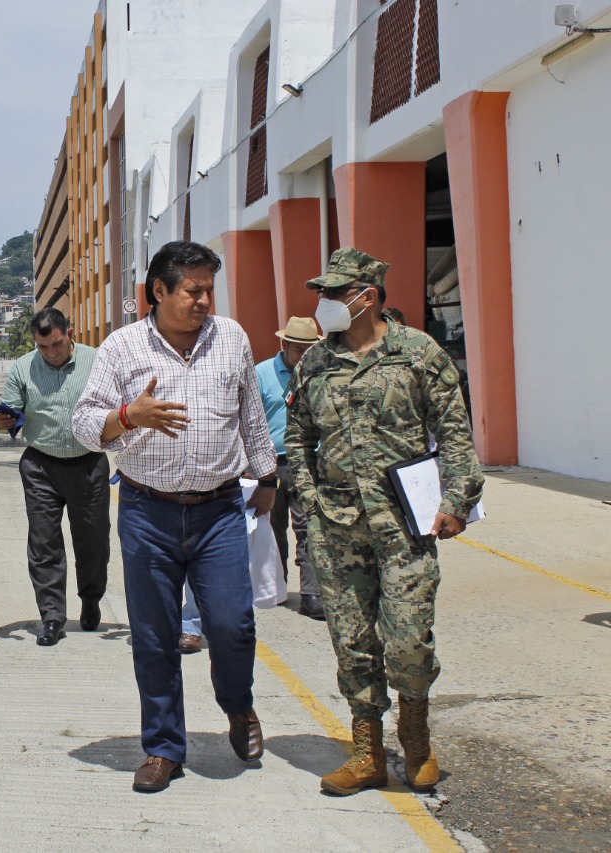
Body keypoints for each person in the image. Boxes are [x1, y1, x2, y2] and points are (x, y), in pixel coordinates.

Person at [71, 241, 279, 793]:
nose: (205, 300)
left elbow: (251, 414)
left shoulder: (231, 338)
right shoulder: (120, 349)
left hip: (218, 512)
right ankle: (163, 748)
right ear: (158, 291)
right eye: (193, 290)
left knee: (232, 625)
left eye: (210, 288)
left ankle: (239, 707)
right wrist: (127, 415)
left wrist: (268, 476)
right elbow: (84, 424)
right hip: (146, 512)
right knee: (155, 636)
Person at [285, 247, 483, 796]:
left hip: (405, 525)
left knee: (408, 641)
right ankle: (368, 753)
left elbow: (455, 430)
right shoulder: (315, 362)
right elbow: (298, 436)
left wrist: (456, 500)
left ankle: (415, 741)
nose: (322, 304)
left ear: (366, 297)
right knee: (352, 643)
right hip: (336, 525)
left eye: (332, 294)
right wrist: (307, 496)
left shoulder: (417, 352)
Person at [0, 307, 108, 647]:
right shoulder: (23, 367)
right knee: (44, 543)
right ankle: (52, 616)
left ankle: (91, 599)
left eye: (56, 344)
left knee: (93, 542)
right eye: (43, 347)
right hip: (41, 465)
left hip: (89, 463)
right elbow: (9, 412)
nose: (50, 353)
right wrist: (3, 421)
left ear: (69, 333)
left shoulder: (97, 361)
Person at [256, 316, 325, 620]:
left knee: (311, 527)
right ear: (284, 345)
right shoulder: (261, 374)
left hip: (310, 461)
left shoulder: (321, 373)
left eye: (310, 349)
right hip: (272, 463)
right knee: (273, 529)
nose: (305, 356)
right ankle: (278, 585)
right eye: (299, 350)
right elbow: (251, 420)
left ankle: (312, 594)